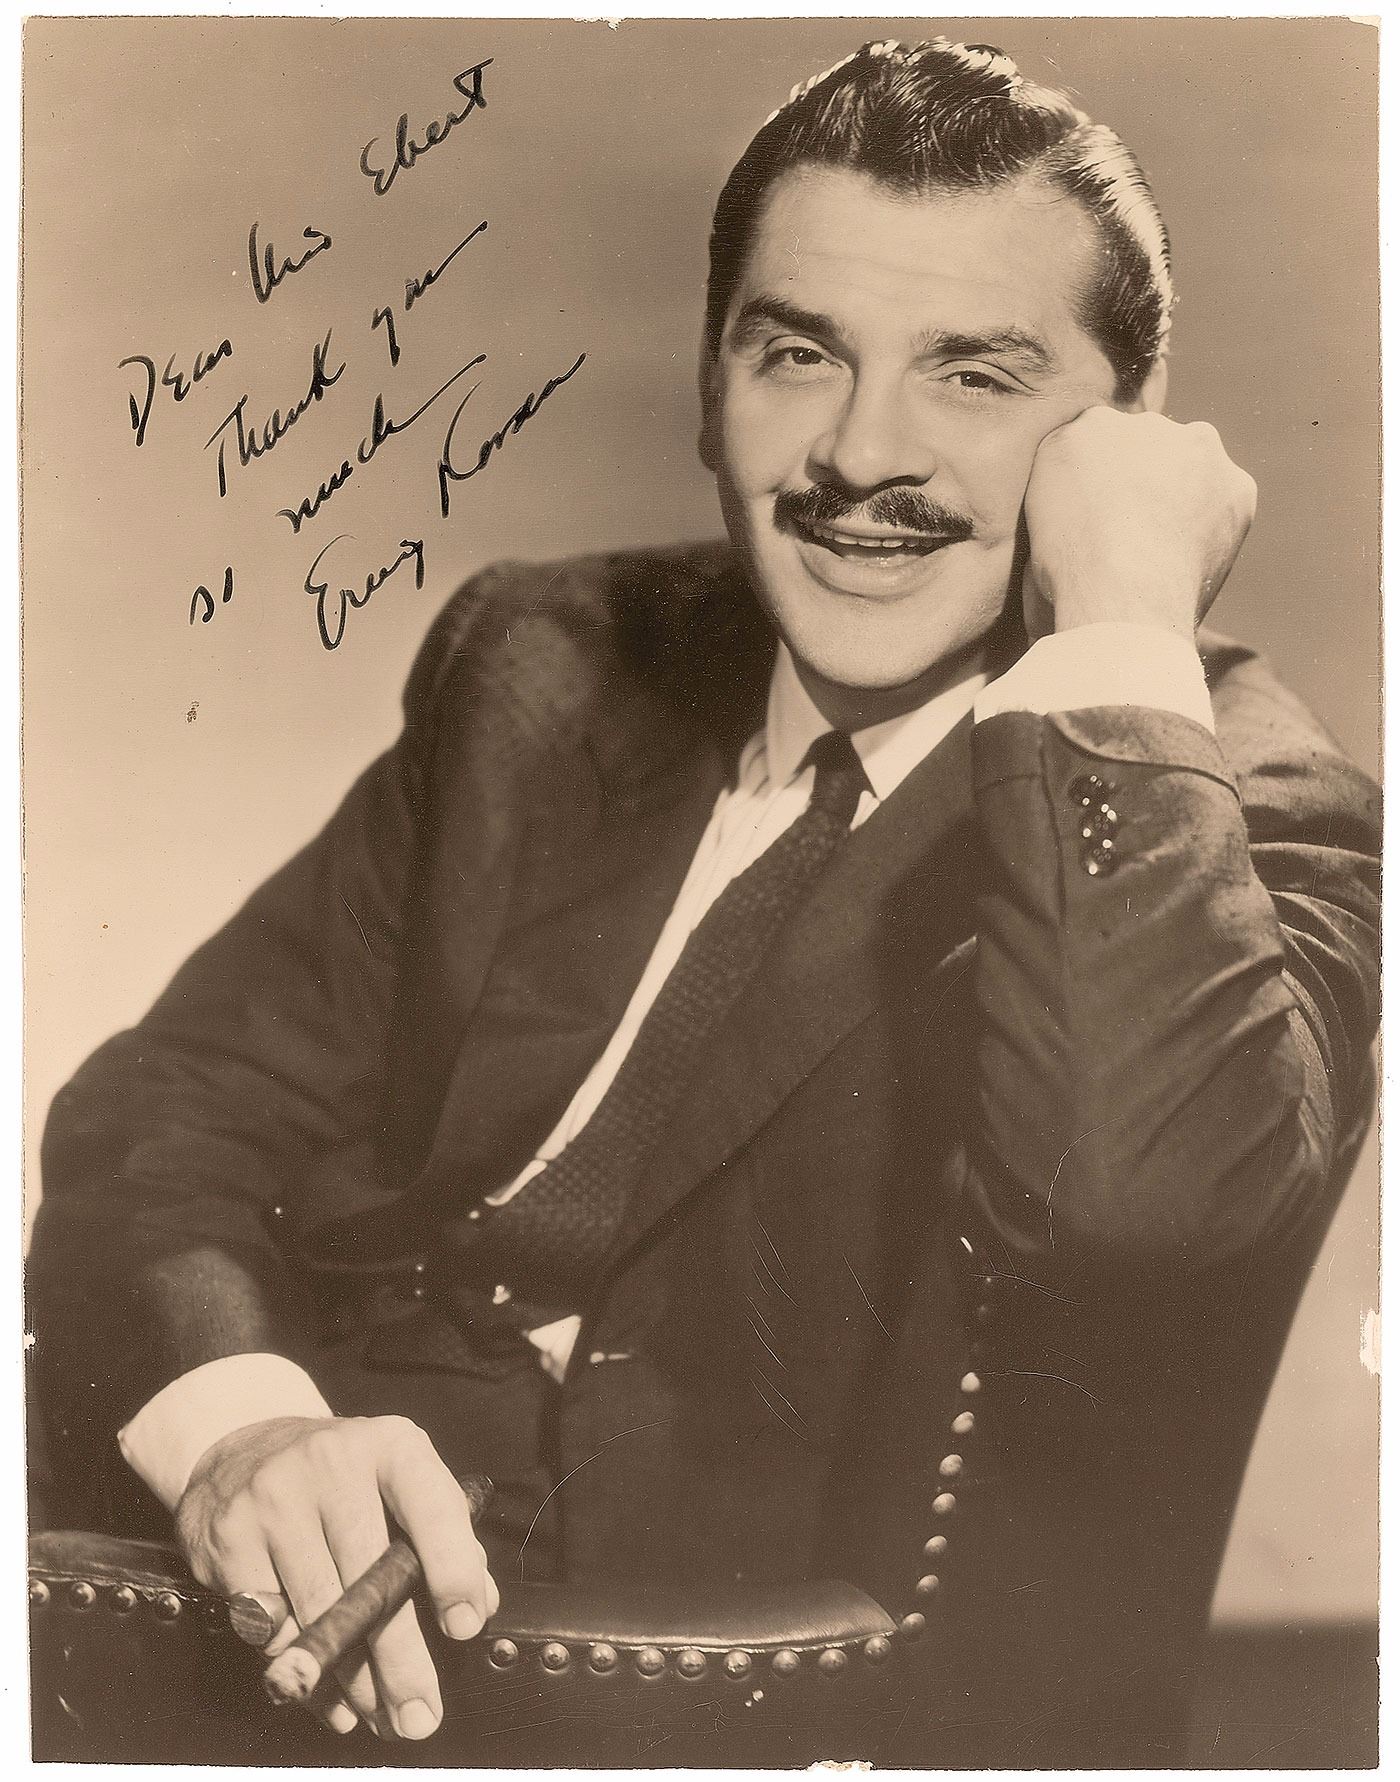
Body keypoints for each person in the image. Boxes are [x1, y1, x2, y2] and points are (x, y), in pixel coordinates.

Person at [30, 37, 1379, 1767]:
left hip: (656, 1681)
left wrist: (1122, 611)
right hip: (229, 1547)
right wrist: (245, 1426)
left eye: (975, 374)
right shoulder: (546, 658)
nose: (859, 454)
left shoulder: (1236, 803)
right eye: (796, 354)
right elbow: (170, 1104)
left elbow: (1145, 1215)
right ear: (708, 378)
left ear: (1125, 437)